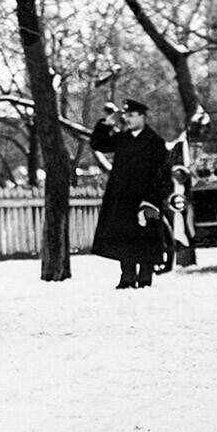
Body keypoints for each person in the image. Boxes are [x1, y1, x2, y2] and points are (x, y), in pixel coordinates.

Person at [91, 98, 172, 289]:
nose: (127, 118)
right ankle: (127, 277)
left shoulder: (156, 142)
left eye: (132, 115)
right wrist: (107, 123)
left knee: (146, 240)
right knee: (125, 238)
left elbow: (162, 175)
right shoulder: (122, 139)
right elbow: (98, 143)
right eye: (126, 115)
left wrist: (151, 200)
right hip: (123, 198)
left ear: (143, 117)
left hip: (145, 199)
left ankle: (144, 278)